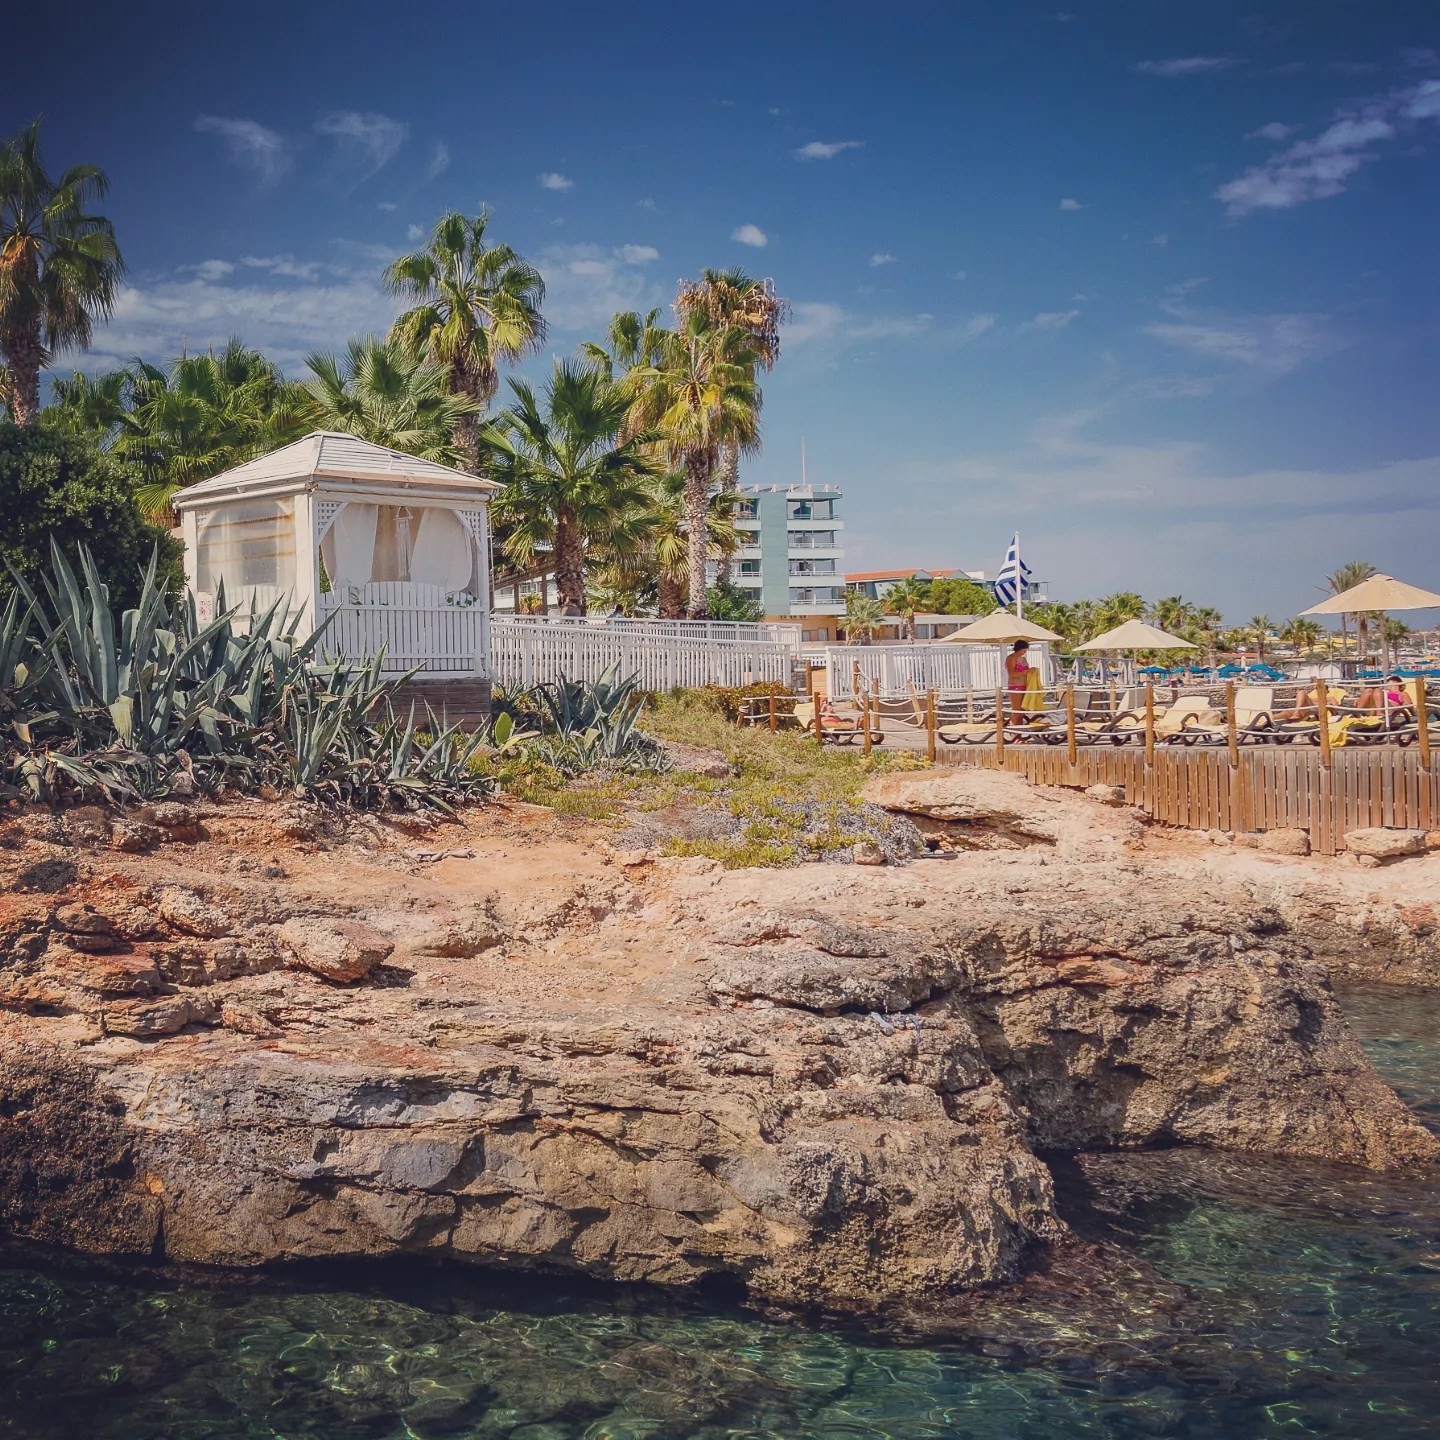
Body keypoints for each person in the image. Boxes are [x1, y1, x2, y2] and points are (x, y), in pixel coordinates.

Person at [1004, 640, 1031, 724]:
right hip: (1015, 686)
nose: (1024, 652)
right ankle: (1015, 733)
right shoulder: (1011, 658)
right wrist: (1025, 672)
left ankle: (1019, 732)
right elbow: (1012, 674)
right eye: (1023, 650)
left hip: (1024, 685)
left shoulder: (1022, 658)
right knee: (1016, 710)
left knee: (1022, 710)